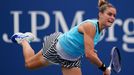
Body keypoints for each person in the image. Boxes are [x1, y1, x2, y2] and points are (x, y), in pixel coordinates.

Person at [11, 0, 116, 75]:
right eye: (109, 14)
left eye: (114, 16)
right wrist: (103, 68)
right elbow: (89, 55)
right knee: (29, 65)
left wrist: (91, 52)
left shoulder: (101, 33)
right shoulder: (90, 26)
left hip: (71, 60)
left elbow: (88, 50)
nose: (112, 17)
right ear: (100, 14)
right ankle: (24, 40)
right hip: (56, 48)